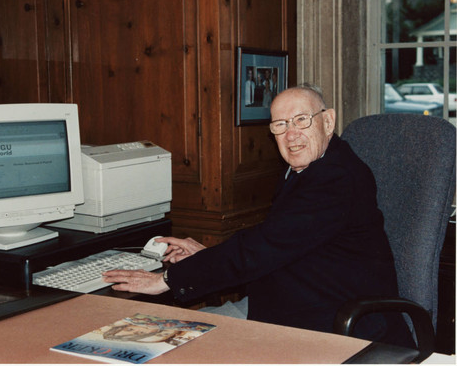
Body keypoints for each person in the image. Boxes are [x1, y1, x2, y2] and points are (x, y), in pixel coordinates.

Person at [103, 84, 414, 348]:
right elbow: (281, 241)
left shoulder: (335, 177)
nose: (291, 135)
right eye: (280, 125)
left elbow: (266, 245)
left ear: (328, 121)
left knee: (158, 345)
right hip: (290, 302)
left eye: (301, 120)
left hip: (335, 327)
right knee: (146, 337)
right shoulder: (307, 168)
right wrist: (207, 255)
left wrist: (167, 280)